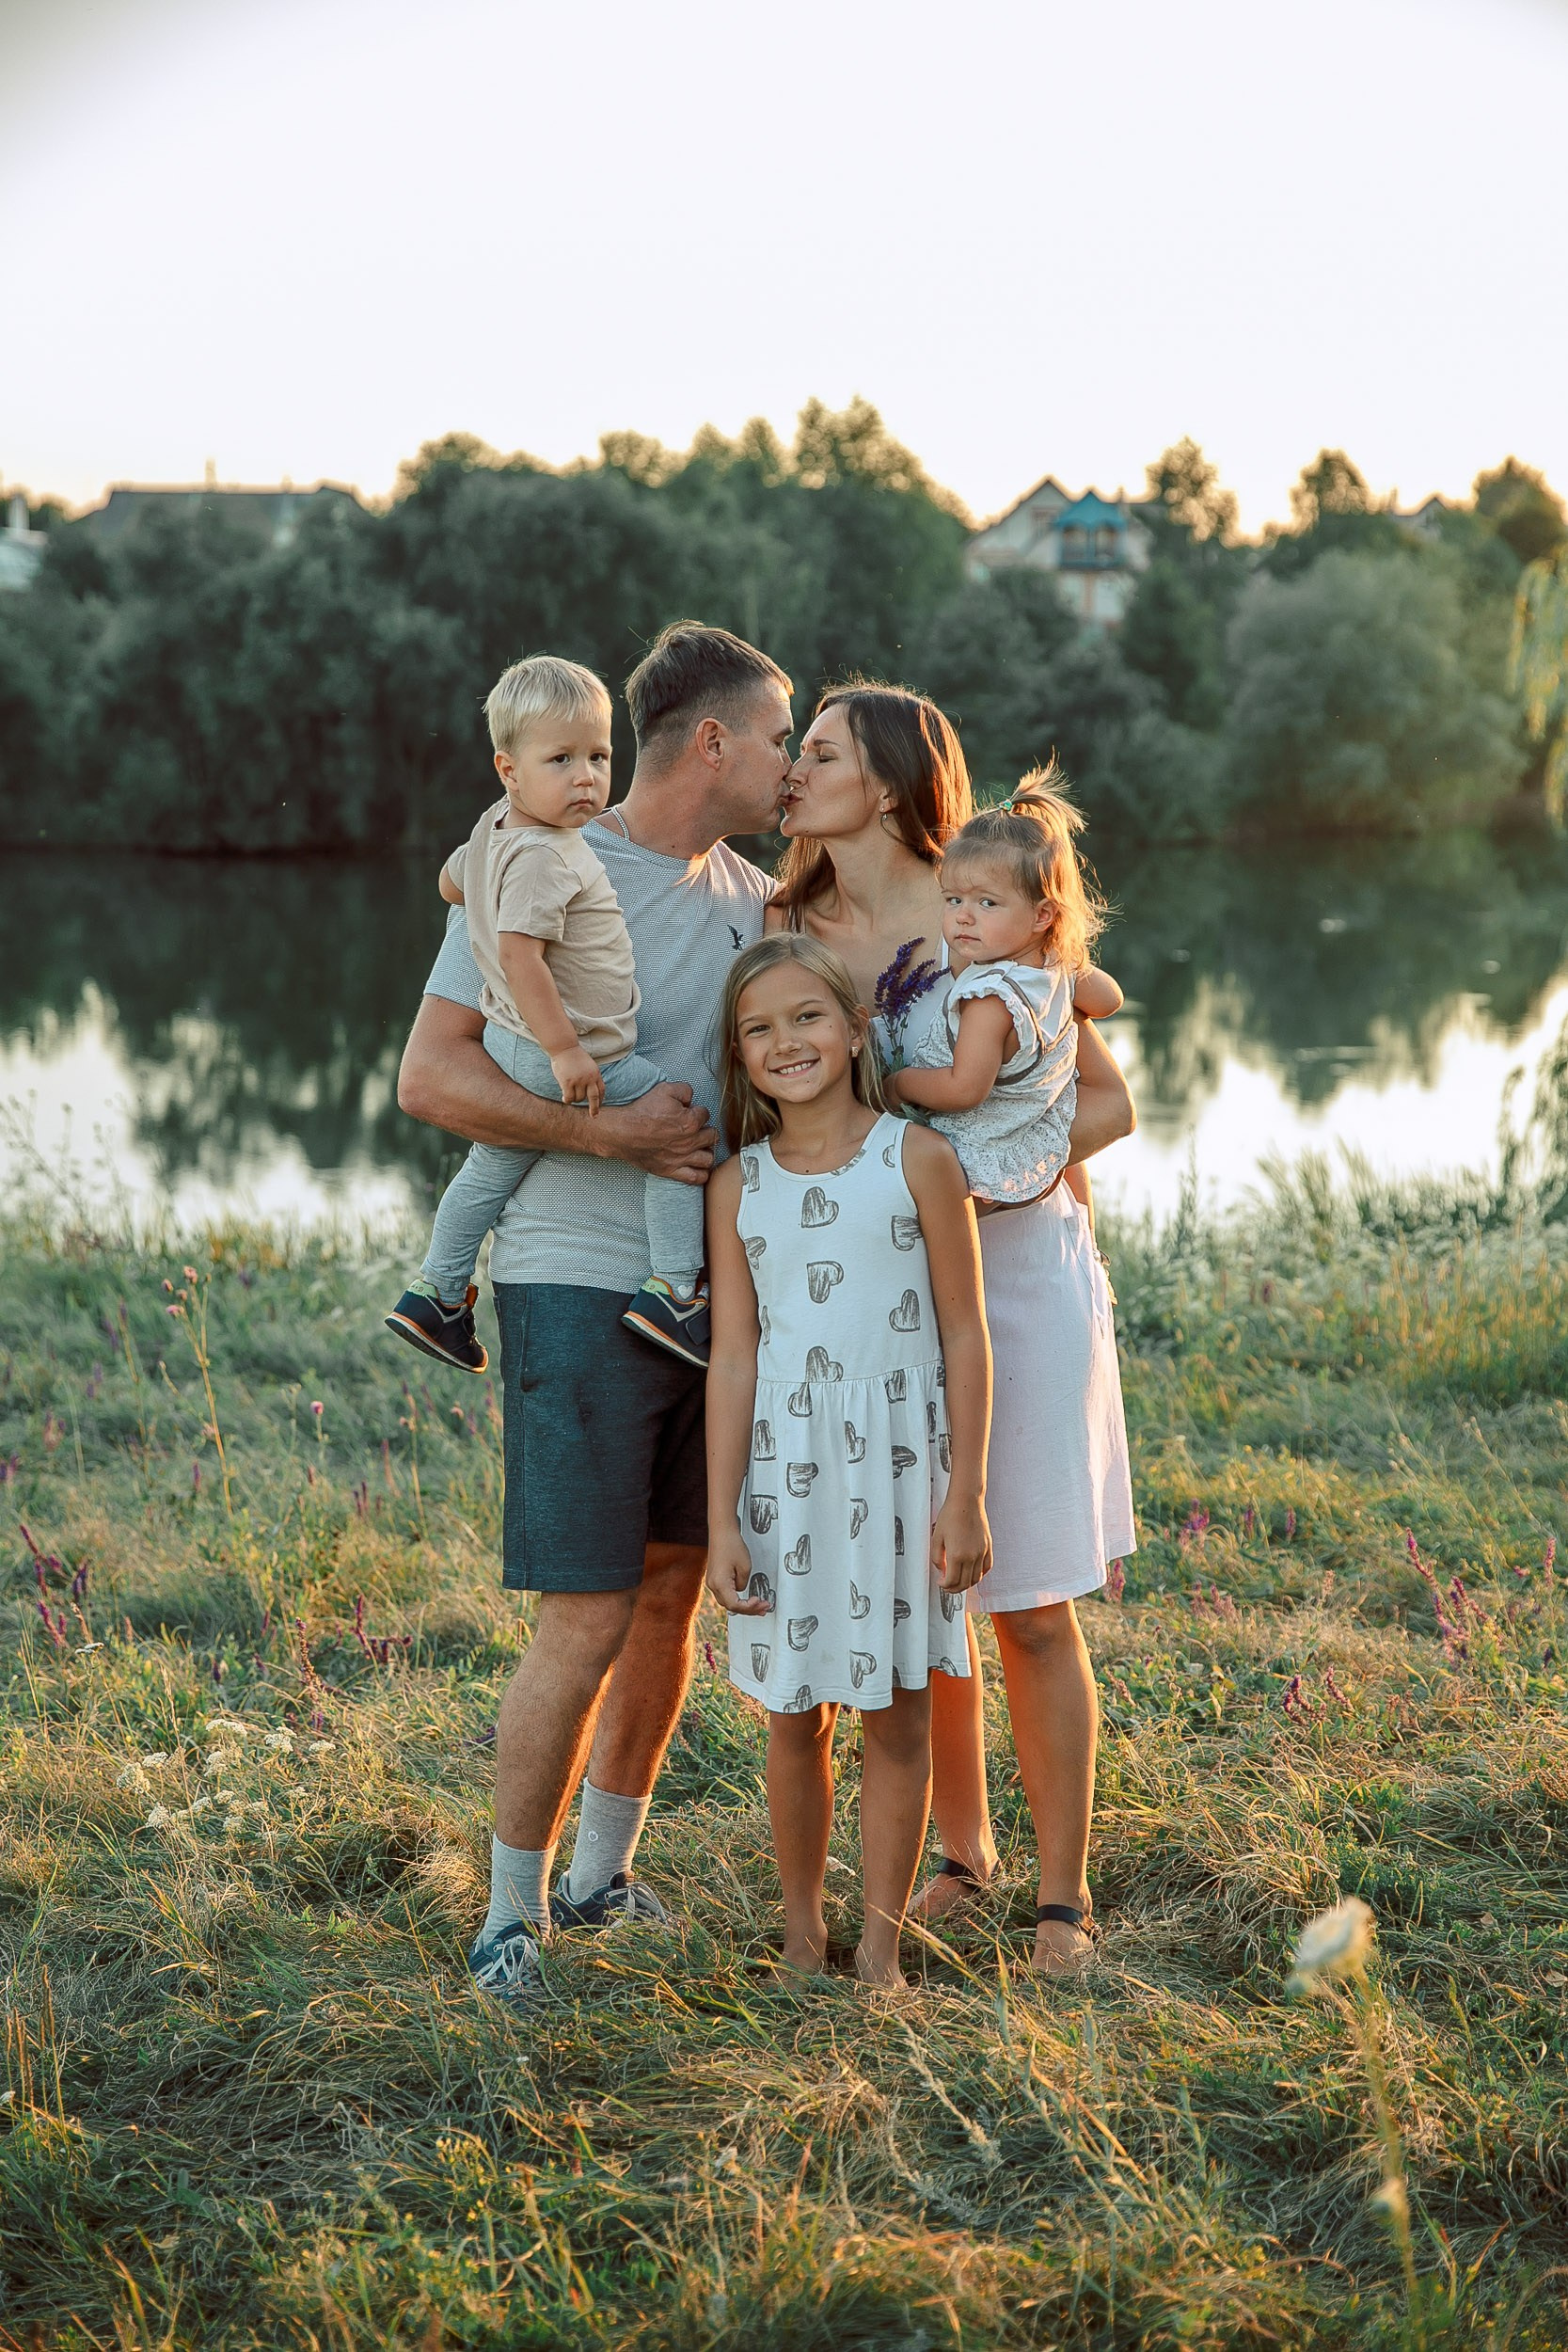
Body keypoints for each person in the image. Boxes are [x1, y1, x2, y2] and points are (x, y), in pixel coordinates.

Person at [396, 622, 795, 2002]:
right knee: (586, 1611)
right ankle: (508, 1919)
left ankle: (601, 1878)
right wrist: (612, 1140)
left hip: (711, 1295)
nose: (791, 765)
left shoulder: (757, 900)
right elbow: (432, 1081)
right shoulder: (533, 861)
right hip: (571, 1280)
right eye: (779, 740)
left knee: (673, 1596)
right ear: (711, 743)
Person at [771, 683, 1136, 1974]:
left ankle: (1061, 1906)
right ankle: (963, 1857)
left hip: (1013, 1273)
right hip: (875, 1305)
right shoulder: (789, 925)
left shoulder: (980, 902)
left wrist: (990, 1172)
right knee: (927, 1588)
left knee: (1027, 1603)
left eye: (811, 753)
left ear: (879, 779)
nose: (786, 770)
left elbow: (1105, 1107)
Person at [704, 935, 992, 1987]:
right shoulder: (738, 1184)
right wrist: (723, 1516)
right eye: (759, 1028)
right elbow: (732, 1358)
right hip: (788, 1477)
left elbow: (964, 1333)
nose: (787, 1041)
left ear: (854, 1025)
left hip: (904, 1473)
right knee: (793, 1715)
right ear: (736, 1056)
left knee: (896, 1713)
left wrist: (964, 1495)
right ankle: (798, 1934)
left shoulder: (916, 1157)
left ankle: (878, 1946)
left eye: (806, 1016)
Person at [385, 654, 708, 1376]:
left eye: (598, 756)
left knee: (492, 1163)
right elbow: (523, 957)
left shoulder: (494, 830)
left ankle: (436, 1288)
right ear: (509, 769)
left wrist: (475, 880)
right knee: (677, 1121)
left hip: (510, 1047)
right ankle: (677, 1290)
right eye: (560, 760)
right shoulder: (549, 857)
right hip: (562, 1047)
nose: (586, 776)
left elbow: (450, 881)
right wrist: (567, 1051)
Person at [885, 770, 1125, 1209]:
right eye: (953, 899)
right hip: (1028, 1130)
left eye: (986, 902)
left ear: (1041, 916)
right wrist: (1069, 967)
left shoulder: (989, 999)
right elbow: (1109, 1000)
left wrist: (899, 1084)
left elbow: (963, 1090)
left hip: (975, 1152)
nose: (962, 916)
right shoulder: (1053, 968)